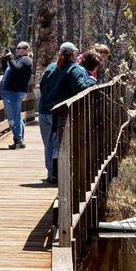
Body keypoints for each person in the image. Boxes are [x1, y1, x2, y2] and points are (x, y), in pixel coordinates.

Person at [37, 42, 95, 184]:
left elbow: (42, 86)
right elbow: (80, 88)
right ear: (73, 54)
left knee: (48, 144)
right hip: (58, 112)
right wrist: (92, 82)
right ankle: (57, 174)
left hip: (44, 110)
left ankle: (51, 172)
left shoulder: (51, 67)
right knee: (58, 144)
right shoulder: (73, 69)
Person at [0, 41, 33, 149]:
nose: (17, 50)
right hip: (10, 92)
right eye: (17, 48)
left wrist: (10, 57)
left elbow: (17, 70)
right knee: (15, 116)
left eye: (20, 48)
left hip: (14, 92)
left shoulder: (26, 60)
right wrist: (5, 59)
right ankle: (19, 139)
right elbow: (6, 70)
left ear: (26, 50)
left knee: (13, 117)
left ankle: (18, 140)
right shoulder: (18, 60)